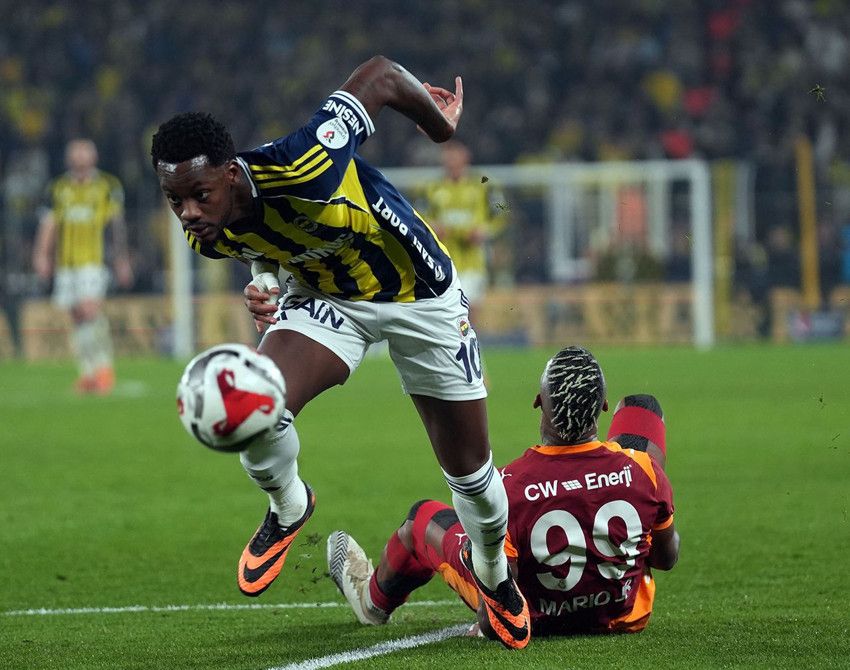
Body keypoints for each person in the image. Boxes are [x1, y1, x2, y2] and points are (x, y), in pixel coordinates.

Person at [150, 55, 530, 649]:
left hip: (419, 293)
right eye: (175, 200)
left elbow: (380, 74)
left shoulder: (304, 163)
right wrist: (265, 282)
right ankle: (289, 504)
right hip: (328, 297)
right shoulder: (207, 227)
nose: (189, 213)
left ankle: (494, 572)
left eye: (198, 195)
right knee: (254, 406)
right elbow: (261, 242)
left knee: (472, 475)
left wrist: (440, 127)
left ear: (231, 173)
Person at [327, 345, 678, 639]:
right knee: (642, 408)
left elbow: (494, 611)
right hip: (621, 613)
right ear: (602, 406)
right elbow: (666, 559)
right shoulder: (645, 469)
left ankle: (372, 601)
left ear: (539, 402)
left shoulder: (508, 486)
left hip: (538, 621)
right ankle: (625, 526)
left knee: (422, 517)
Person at [33, 139, 133, 394]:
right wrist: (42, 256)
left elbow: (116, 225)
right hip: (66, 264)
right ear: (69, 158)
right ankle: (88, 373)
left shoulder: (107, 185)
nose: (79, 158)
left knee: (90, 311)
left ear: (93, 157)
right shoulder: (58, 188)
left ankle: (104, 369)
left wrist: (121, 259)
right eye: (75, 153)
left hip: (94, 261)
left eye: (84, 153)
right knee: (76, 316)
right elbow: (49, 224)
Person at [423, 140, 505, 318]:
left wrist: (485, 231)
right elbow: (420, 217)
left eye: (455, 156)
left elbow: (502, 212)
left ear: (466, 157)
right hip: (442, 260)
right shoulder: (432, 187)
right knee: (445, 312)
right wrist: (432, 228)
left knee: (469, 310)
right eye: (448, 156)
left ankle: (471, 336)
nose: (451, 161)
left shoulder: (484, 183)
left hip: (473, 260)